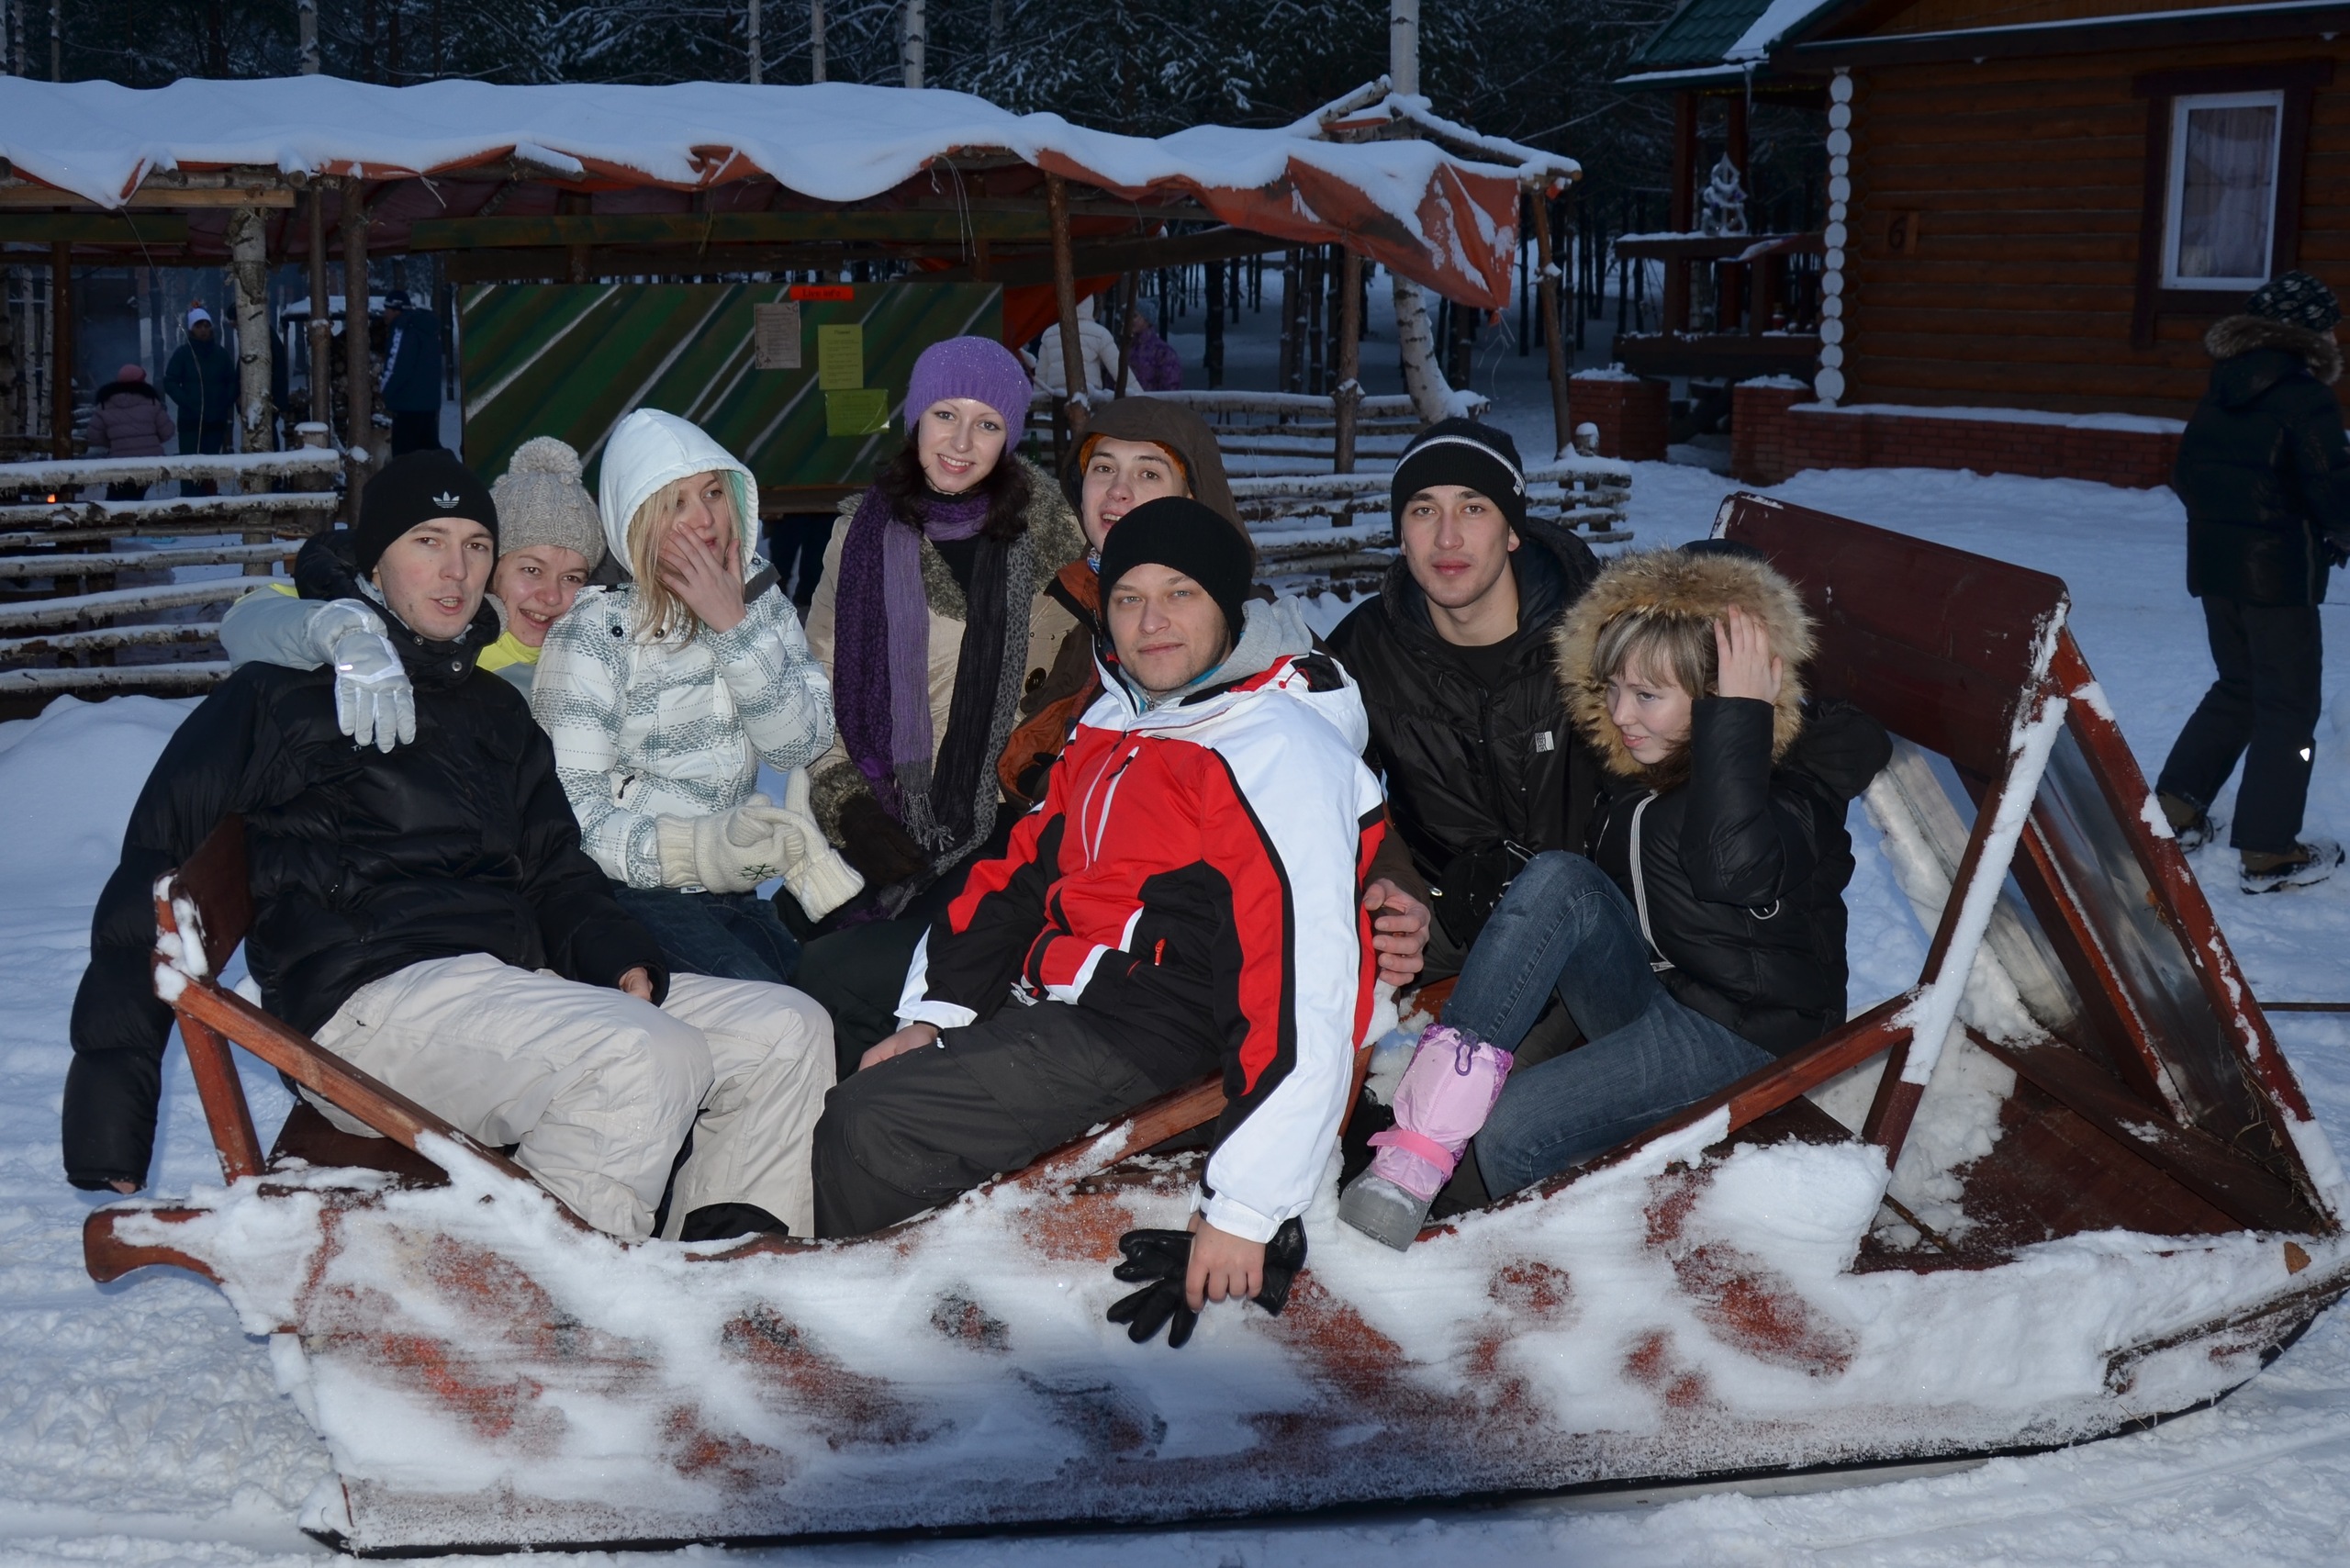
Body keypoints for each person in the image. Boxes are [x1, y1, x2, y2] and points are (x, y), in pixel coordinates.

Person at [62, 449, 834, 1242]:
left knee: (786, 1030)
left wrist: (618, 958)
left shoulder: (494, 709)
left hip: (503, 983)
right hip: (365, 1004)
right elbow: (151, 867)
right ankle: (564, 1297)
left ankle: (723, 1265)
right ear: (376, 562)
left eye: (475, 546)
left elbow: (556, 871)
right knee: (641, 1055)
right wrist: (108, 1118)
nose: (456, 570)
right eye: (427, 542)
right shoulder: (279, 696)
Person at [811, 498, 1390, 1334]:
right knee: (842, 1017)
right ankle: (892, 1269)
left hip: (1158, 1022)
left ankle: (878, 1345)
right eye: (1128, 598)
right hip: (1073, 991)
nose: (1152, 622)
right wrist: (934, 1014)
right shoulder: (1121, 715)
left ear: (1227, 607)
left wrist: (1248, 1207)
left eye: (1181, 593)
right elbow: (1021, 873)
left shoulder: (1273, 751)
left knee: (872, 1125)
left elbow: (1303, 982)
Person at [1339, 543, 1891, 1247]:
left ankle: (1550, 1267)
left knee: (1514, 1127)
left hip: (1744, 1036)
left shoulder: (1788, 789)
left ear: (1722, 697)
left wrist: (1740, 722)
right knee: (1558, 879)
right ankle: (1417, 1149)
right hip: (1661, 995)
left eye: (1647, 696)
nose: (1622, 715)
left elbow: (1731, 870)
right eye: (1612, 689)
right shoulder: (1647, 764)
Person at [532, 409, 859, 990]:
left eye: (713, 492)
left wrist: (734, 628)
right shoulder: (596, 630)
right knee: (770, 1003)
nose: (704, 518)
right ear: (637, 519)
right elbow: (568, 813)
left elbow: (799, 744)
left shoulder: (759, 597)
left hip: (734, 889)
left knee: (828, 998)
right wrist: (696, 852)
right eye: (676, 503)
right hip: (629, 893)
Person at [801, 336, 1087, 909]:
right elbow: (817, 686)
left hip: (1018, 818)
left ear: (1009, 437)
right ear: (917, 419)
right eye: (946, 415)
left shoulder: (1055, 536)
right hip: (889, 812)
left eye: (987, 425)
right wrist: (849, 806)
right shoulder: (859, 539)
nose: (961, 443)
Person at [1326, 420, 1603, 980]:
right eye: (1423, 510)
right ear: (1401, 536)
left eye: (1473, 508)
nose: (1447, 538)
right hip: (1441, 918)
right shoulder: (1365, 650)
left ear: (1512, 531)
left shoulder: (1598, 636)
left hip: (1591, 927)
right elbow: (1328, 797)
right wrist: (1394, 884)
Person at [2155, 269, 2350, 893]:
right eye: (2329, 327)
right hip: (2279, 580)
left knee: (2238, 687)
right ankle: (2269, 851)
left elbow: (2186, 474)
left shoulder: (2222, 390)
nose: (2335, 337)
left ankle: (2175, 809)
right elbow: (2332, 489)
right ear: (2309, 333)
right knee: (2289, 708)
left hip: (2216, 570)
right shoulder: (2305, 397)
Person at [218, 434, 607, 705]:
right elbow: (247, 619)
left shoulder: (596, 661)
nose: (552, 596)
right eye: (532, 570)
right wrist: (332, 631)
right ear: (494, 571)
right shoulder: (463, 637)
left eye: (573, 578)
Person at [162, 305, 237, 469]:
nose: (203, 330)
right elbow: (170, 381)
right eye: (198, 326)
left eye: (206, 325)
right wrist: (187, 401)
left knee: (211, 468)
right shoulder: (183, 354)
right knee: (190, 468)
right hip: (190, 422)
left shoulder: (220, 354)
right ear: (191, 329)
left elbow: (232, 380)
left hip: (216, 421)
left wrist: (225, 400)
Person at [91, 364, 174, 499]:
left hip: (119, 462)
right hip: (150, 462)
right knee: (135, 496)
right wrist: (150, 441)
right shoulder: (152, 402)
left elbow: (94, 435)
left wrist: (115, 443)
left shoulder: (105, 404)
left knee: (116, 498)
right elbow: (168, 431)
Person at [1032, 297, 1140, 399]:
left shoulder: (1049, 334)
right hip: (1089, 399)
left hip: (1055, 400)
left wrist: (1035, 406)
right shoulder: (1100, 333)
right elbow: (1121, 371)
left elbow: (1041, 377)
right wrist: (1142, 398)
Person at [379, 290, 443, 456]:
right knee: (429, 455)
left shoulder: (402, 329)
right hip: (429, 405)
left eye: (387, 309)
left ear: (396, 310)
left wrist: (383, 392)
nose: (385, 314)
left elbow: (396, 367)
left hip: (407, 406)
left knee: (404, 458)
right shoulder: (427, 330)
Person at [1125, 303, 1183, 393]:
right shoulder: (1125, 348)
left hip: (1151, 402)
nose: (1129, 320)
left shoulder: (1163, 352)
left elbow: (1171, 388)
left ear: (1147, 319)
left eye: (1134, 316)